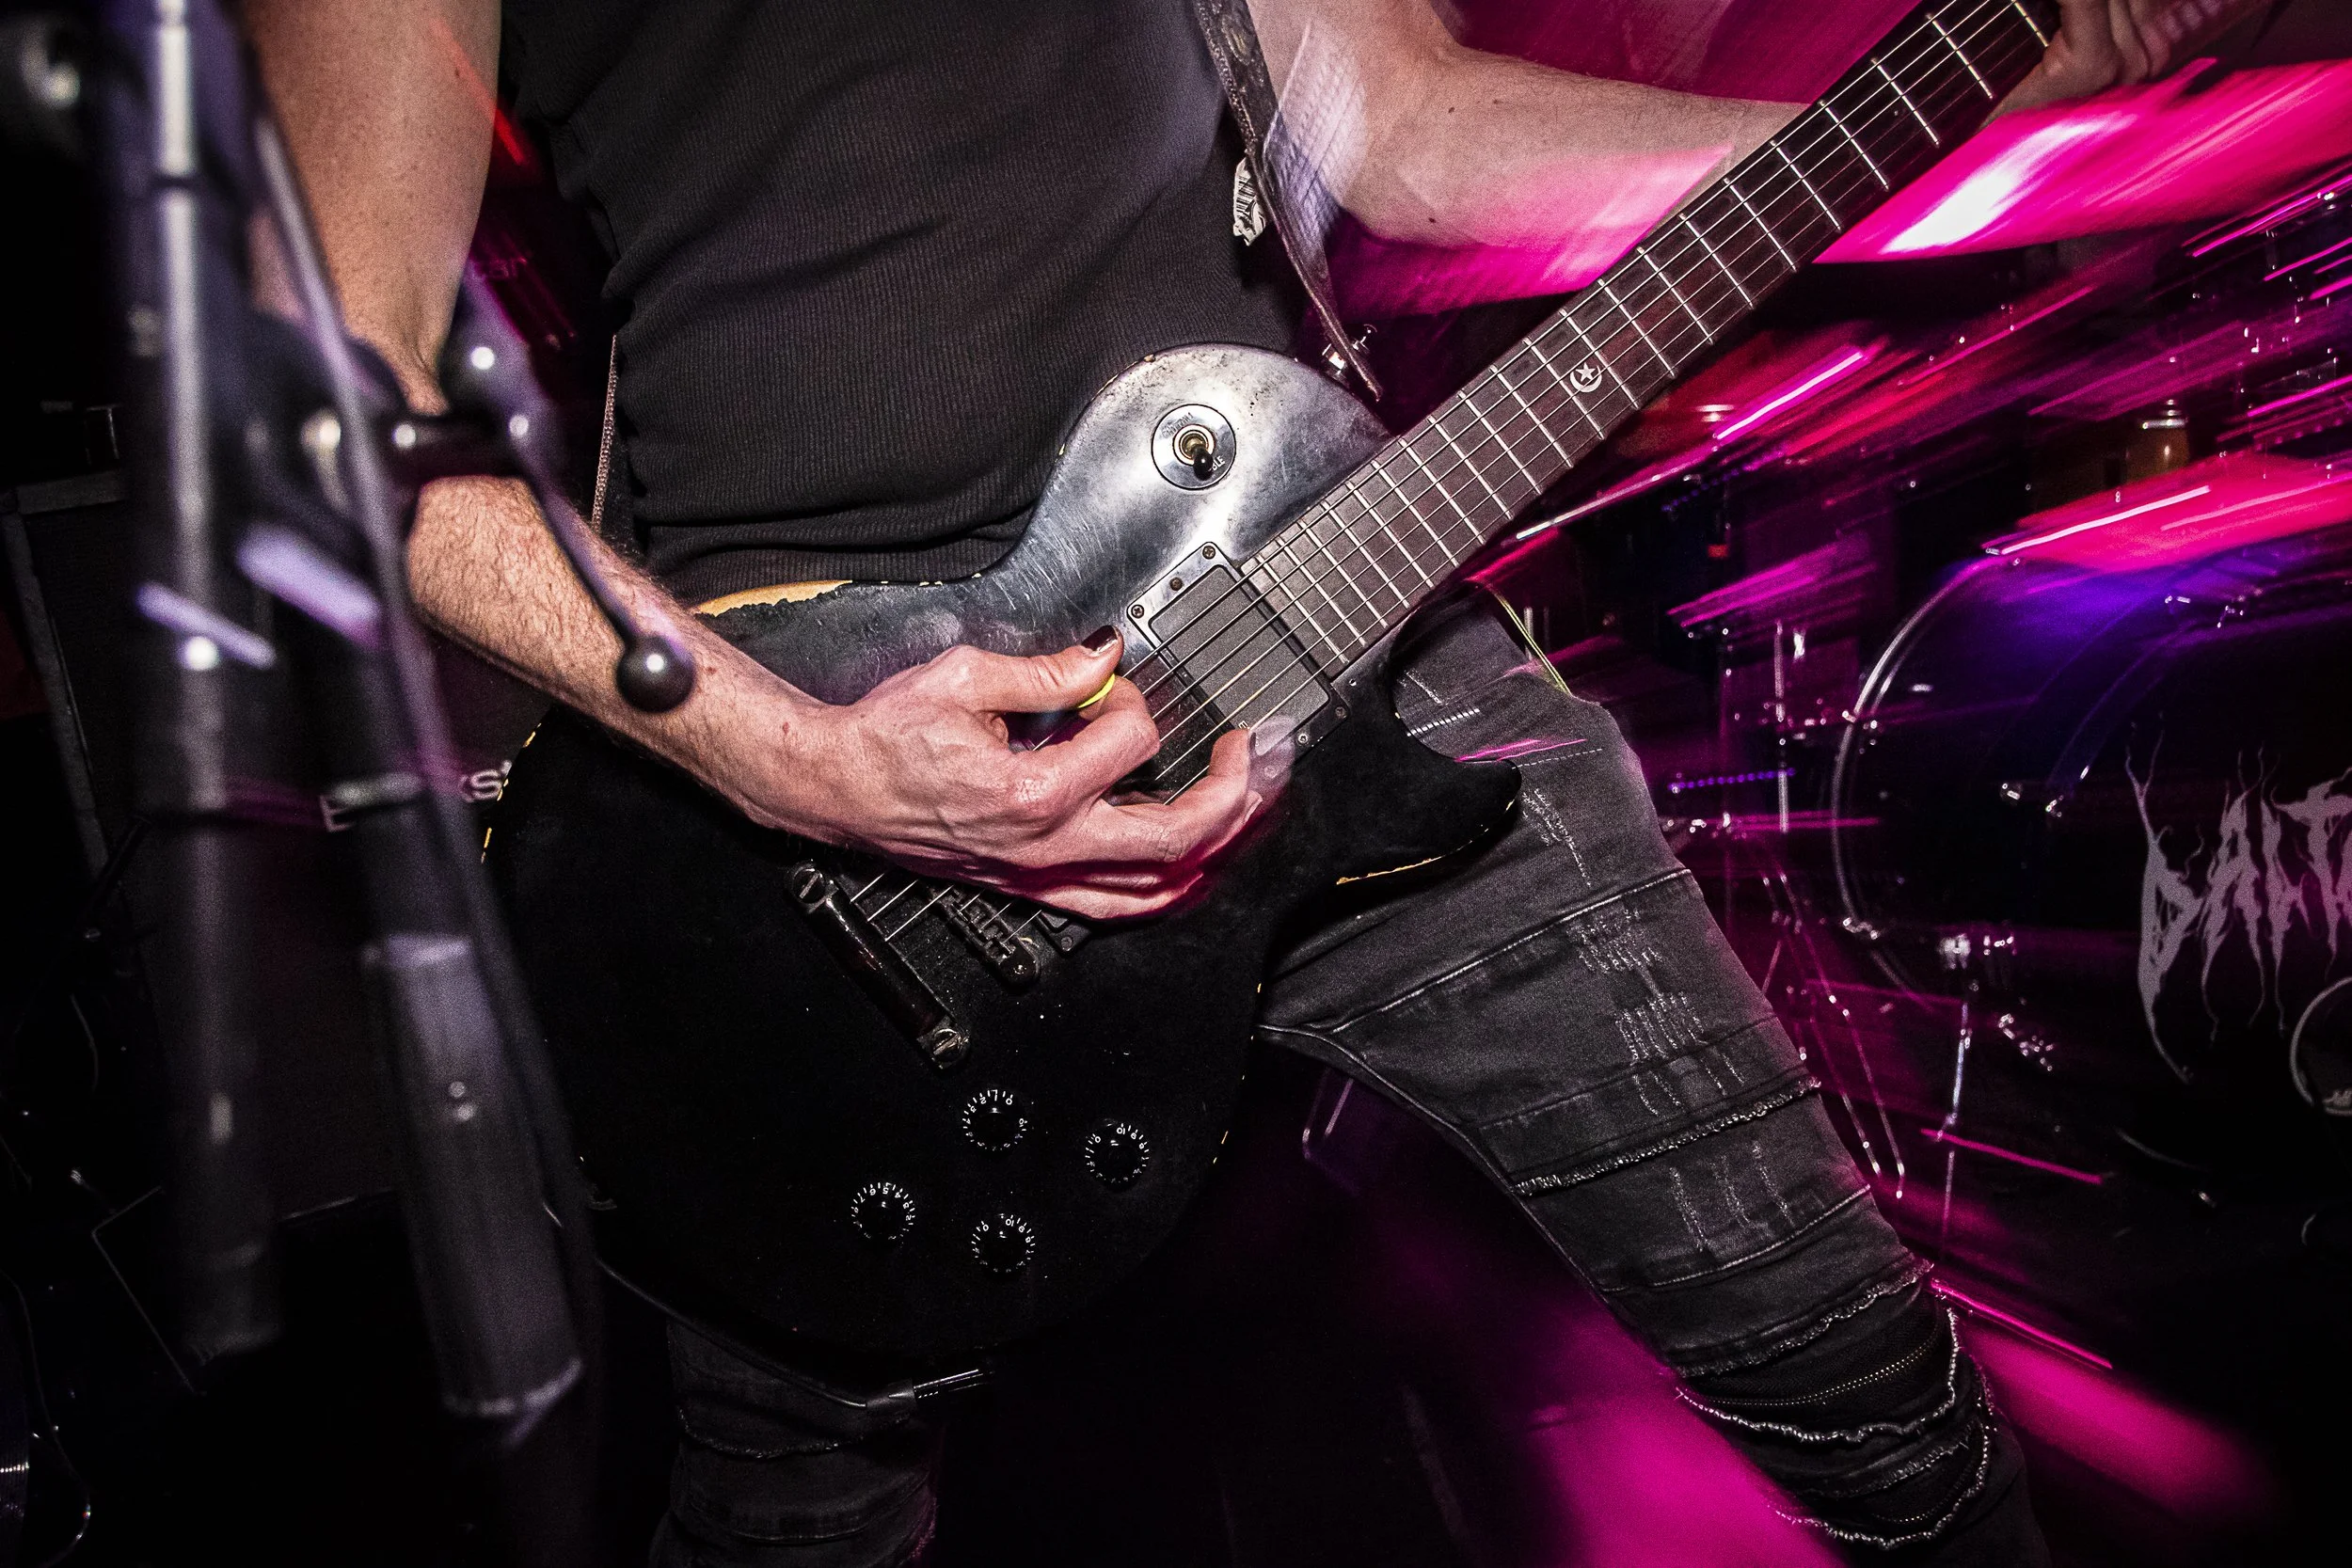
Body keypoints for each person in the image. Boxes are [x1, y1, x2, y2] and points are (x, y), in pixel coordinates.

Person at [244, 1, 2266, 1562]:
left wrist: (1949, 131)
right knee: (793, 1510)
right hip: (800, 805)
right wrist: (795, 762)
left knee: (1858, 1377)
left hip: (1335, 621)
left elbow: (1389, 121)